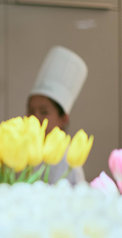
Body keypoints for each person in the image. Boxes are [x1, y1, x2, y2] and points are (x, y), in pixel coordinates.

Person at [26, 45, 88, 184]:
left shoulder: (68, 161)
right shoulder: (26, 152)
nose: (35, 118)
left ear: (63, 119)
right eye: (31, 111)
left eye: (44, 112)